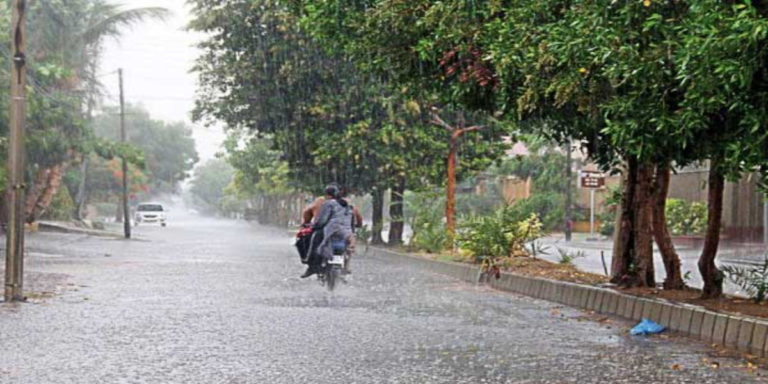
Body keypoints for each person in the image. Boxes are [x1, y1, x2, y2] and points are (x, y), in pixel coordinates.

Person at [301, 184, 353, 278]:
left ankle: (312, 266)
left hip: (333, 230)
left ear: (328, 194)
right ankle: (346, 267)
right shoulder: (347, 204)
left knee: (315, 238)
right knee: (349, 248)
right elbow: (352, 220)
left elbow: (322, 220)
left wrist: (314, 226)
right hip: (347, 232)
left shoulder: (328, 203)